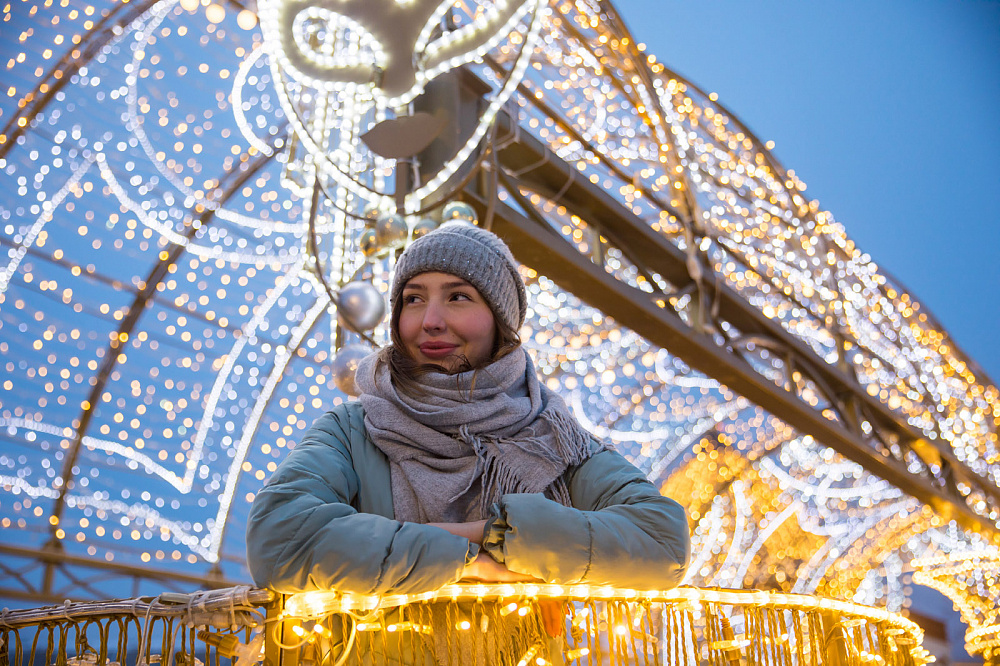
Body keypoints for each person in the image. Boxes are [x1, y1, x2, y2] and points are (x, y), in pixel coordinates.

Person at [245, 223, 690, 596]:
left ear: (501, 320)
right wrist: (470, 562)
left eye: (457, 297)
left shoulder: (551, 439)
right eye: (413, 299)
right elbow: (279, 537)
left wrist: (493, 531)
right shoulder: (353, 430)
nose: (430, 320)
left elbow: (661, 542)